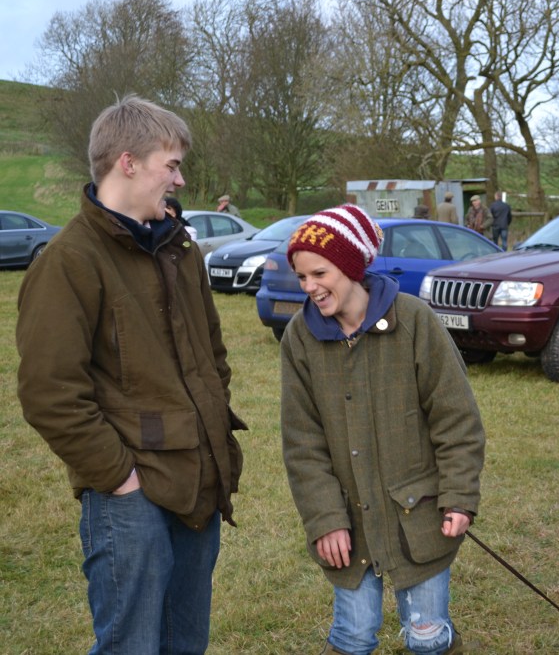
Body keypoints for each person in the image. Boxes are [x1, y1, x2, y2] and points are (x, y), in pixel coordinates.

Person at [15, 95, 246, 654]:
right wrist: (120, 478)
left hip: (199, 483)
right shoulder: (68, 260)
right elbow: (49, 394)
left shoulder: (180, 249)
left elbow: (212, 357)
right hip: (129, 498)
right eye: (171, 164)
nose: (181, 178)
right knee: (132, 646)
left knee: (184, 644)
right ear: (127, 162)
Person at [280, 205, 485, 655]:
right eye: (301, 277)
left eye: (319, 273)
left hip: (419, 514)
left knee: (426, 636)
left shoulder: (414, 320)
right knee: (352, 635)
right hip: (348, 522)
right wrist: (325, 519)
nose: (310, 287)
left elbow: (456, 420)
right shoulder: (299, 338)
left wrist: (458, 496)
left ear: (352, 266)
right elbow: (302, 443)